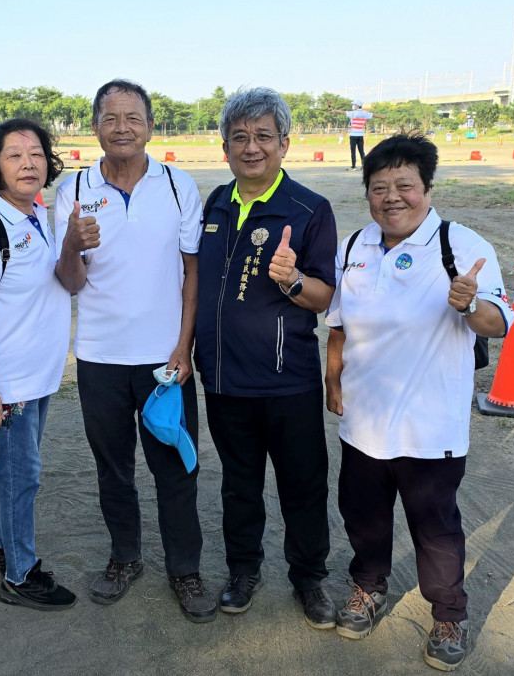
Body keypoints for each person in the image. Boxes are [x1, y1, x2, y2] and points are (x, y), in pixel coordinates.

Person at [324, 132, 514, 670]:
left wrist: (470, 302)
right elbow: (338, 325)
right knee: (364, 519)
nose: (392, 197)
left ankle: (449, 613)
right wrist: (332, 381)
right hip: (363, 423)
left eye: (404, 185)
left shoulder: (463, 245)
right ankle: (368, 588)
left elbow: (498, 323)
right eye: (379, 187)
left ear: (427, 189)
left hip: (431, 430)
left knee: (435, 531)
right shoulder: (353, 247)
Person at [54, 79, 216, 622]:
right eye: (110, 117)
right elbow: (69, 282)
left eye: (133, 117)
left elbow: (192, 270)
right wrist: (73, 245)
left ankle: (185, 570)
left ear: (149, 125)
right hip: (99, 358)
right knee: (113, 469)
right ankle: (125, 558)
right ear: (95, 125)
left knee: (175, 469)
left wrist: (183, 346)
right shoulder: (74, 187)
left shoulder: (177, 186)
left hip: (164, 363)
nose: (122, 127)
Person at [195, 87, 339, 627]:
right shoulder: (214, 204)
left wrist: (293, 280)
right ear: (225, 147)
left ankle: (309, 581)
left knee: (303, 485)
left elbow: (326, 296)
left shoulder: (308, 210)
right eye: (239, 138)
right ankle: (243, 571)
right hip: (224, 381)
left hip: (288, 382)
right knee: (239, 483)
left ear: (283, 143)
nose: (251, 148)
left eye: (262, 137)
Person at [0, 118, 76, 611]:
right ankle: (20, 575)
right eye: (14, 154)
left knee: (9, 466)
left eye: (36, 153)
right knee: (23, 473)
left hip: (37, 375)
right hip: (11, 383)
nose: (28, 163)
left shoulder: (31, 214)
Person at [327, 100, 386, 171]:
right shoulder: (365, 113)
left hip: (353, 135)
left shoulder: (352, 113)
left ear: (357, 105)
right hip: (360, 135)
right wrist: (382, 117)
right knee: (361, 151)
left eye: (355, 105)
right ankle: (364, 166)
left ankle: (353, 166)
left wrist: (333, 110)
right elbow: (373, 115)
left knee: (353, 151)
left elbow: (342, 112)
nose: (354, 106)